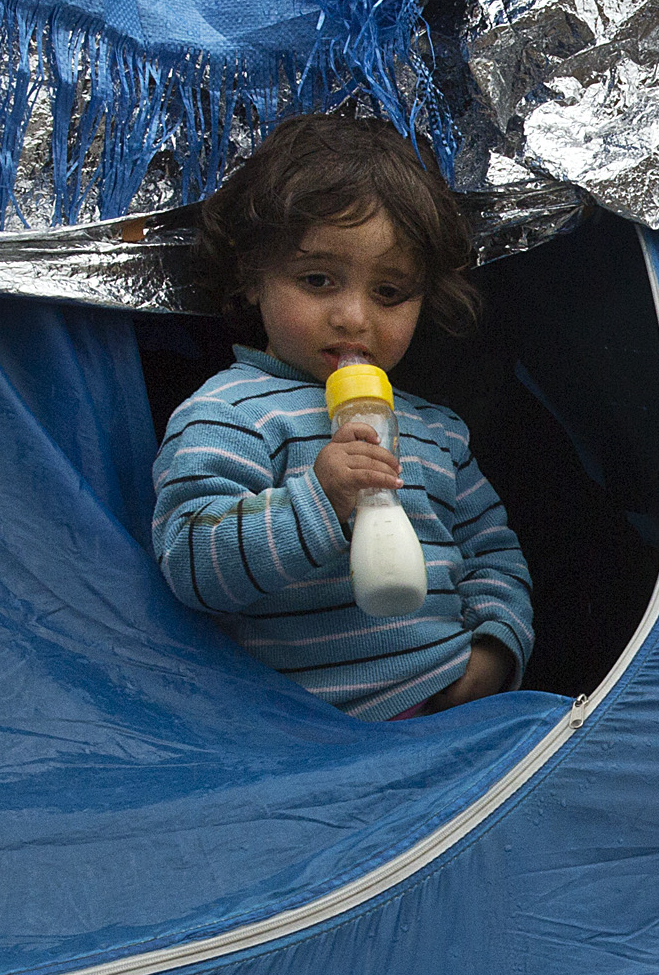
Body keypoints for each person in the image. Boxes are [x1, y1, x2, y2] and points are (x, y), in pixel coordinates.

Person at [153, 115, 532, 717]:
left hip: (453, 715)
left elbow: (492, 552)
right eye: (318, 280)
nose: (354, 317)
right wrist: (320, 501)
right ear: (254, 277)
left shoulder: (437, 431)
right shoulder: (230, 413)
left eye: (389, 292)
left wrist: (493, 651)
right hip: (308, 741)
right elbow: (192, 566)